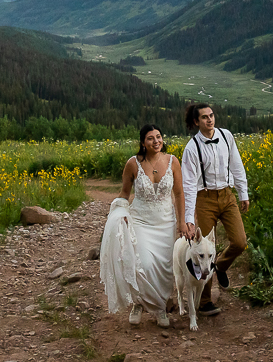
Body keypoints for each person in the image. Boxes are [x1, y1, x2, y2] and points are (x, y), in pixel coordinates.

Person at [100, 124, 185, 328]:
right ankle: (139, 302)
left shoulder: (172, 161)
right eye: (150, 138)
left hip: (165, 222)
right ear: (142, 142)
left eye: (158, 136)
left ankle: (161, 308)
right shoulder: (133, 164)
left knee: (164, 269)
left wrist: (182, 222)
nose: (156, 141)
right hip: (141, 220)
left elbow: (179, 193)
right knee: (143, 264)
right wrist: (119, 213)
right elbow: (124, 193)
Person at [180, 102, 249, 317]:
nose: (210, 119)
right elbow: (189, 185)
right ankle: (205, 301)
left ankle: (219, 266)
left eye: (211, 115)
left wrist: (242, 192)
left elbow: (237, 165)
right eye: (204, 117)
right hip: (205, 198)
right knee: (203, 249)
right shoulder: (192, 148)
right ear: (196, 122)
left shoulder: (226, 136)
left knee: (240, 242)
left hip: (227, 195)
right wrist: (189, 218)